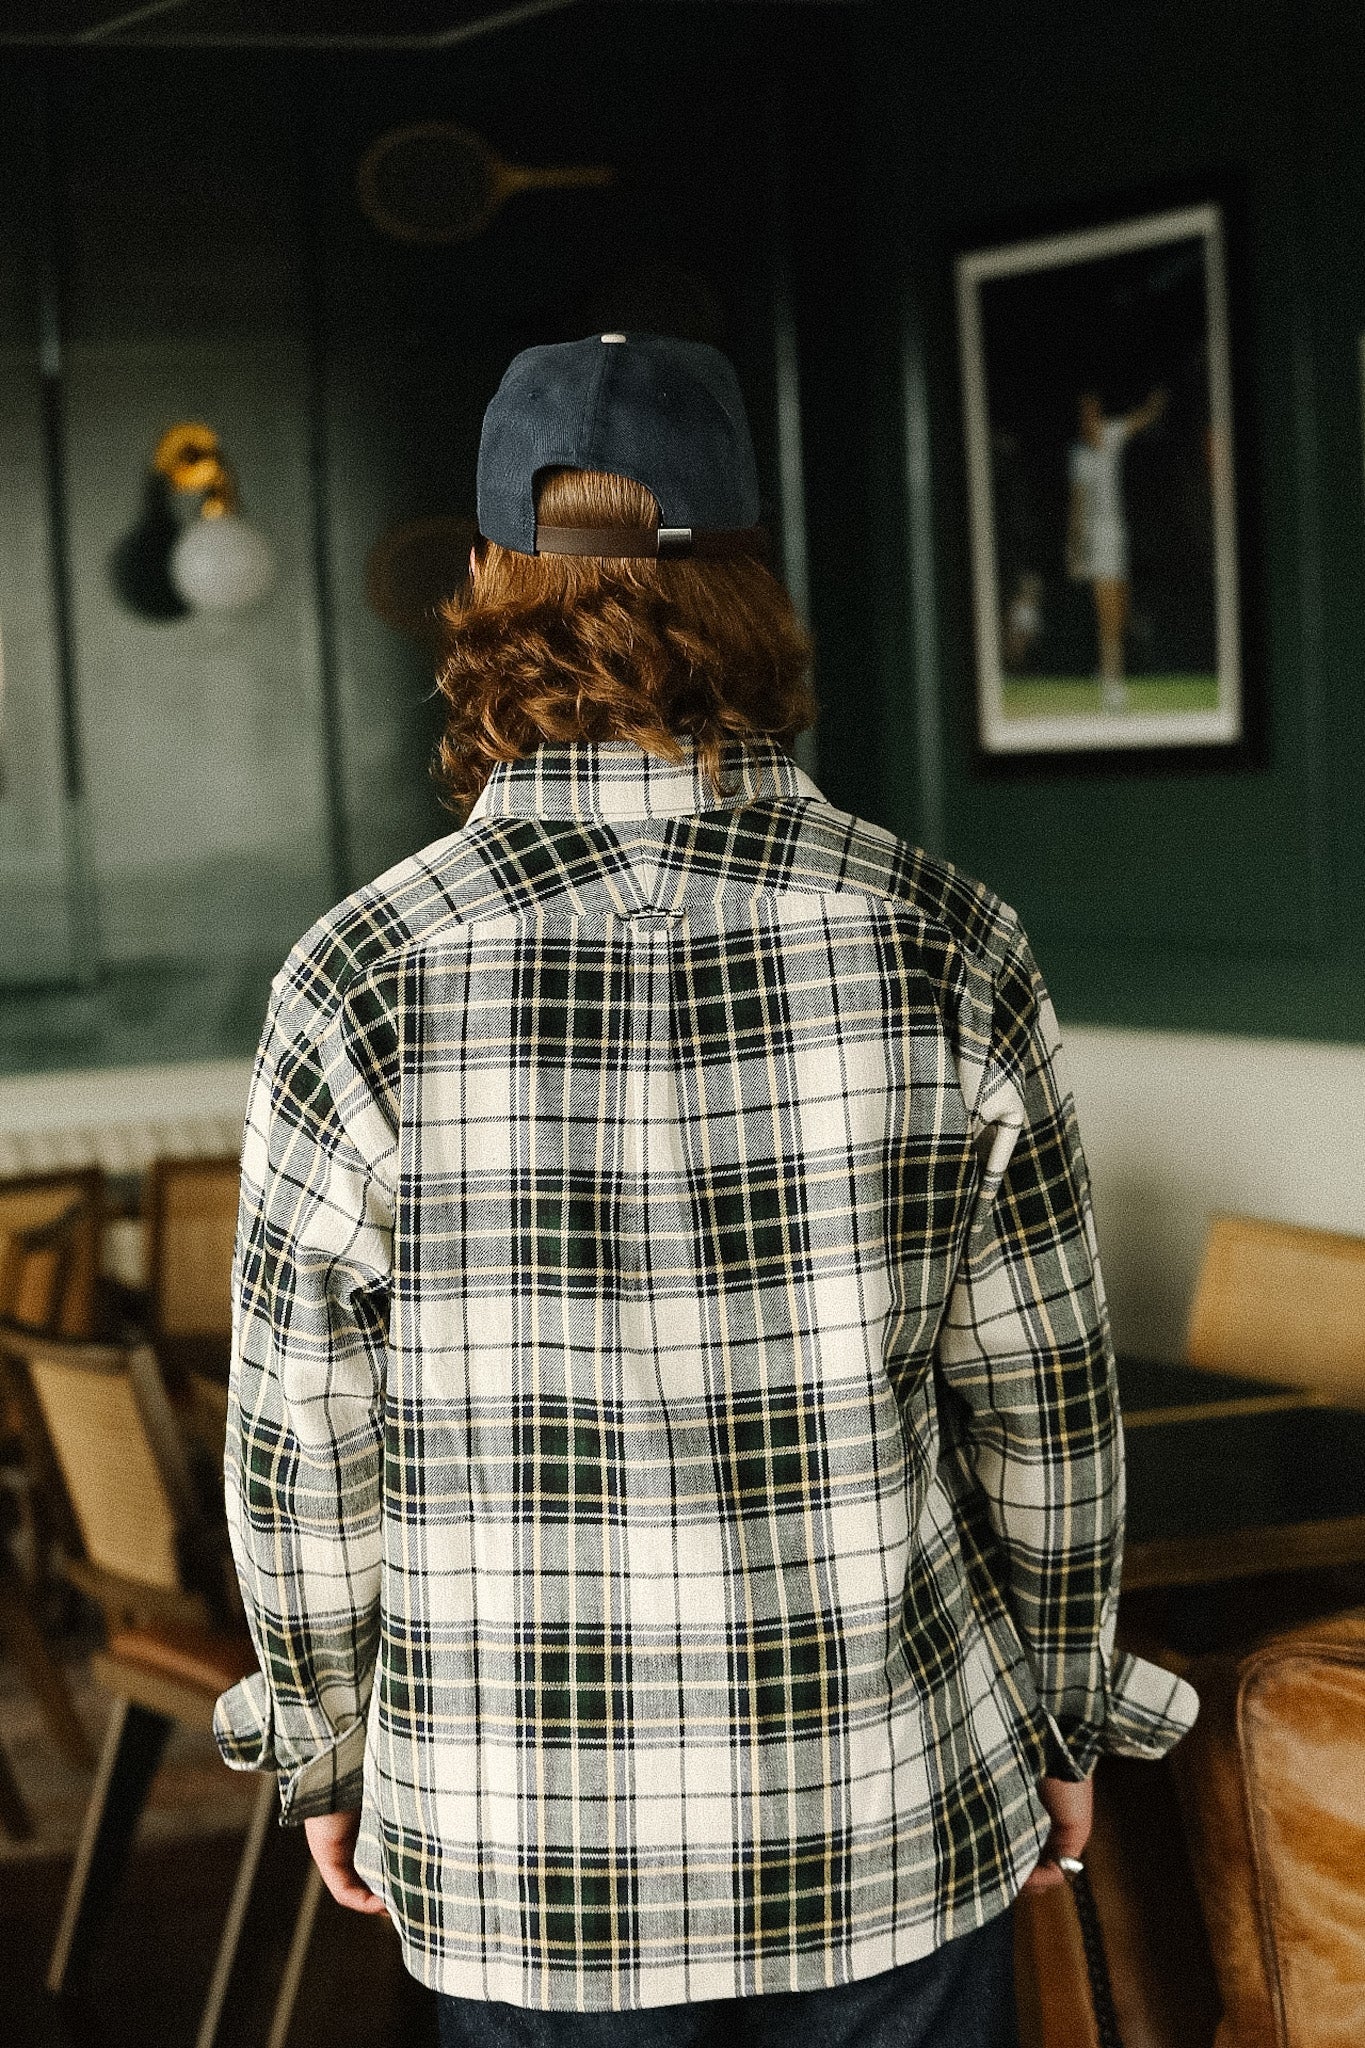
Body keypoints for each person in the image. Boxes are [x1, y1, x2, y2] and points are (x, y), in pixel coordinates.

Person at [214, 333, 1197, 2046]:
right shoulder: (945, 938)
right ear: (753, 582)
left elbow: (309, 1439)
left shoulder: (362, 973)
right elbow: (1044, 1400)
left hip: (529, 1846)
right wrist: (1062, 1716)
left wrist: (326, 1741)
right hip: (890, 1806)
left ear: (480, 586)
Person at [1066, 384, 1168, 708]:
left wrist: (1154, 406)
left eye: (1094, 410)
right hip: (1096, 539)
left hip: (1117, 535)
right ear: (1081, 419)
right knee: (1107, 612)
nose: (1090, 417)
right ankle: (1112, 687)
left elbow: (1139, 420)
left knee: (1121, 613)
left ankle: (1106, 670)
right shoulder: (1080, 455)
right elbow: (1077, 506)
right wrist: (1075, 551)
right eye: (1085, 413)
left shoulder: (1111, 434)